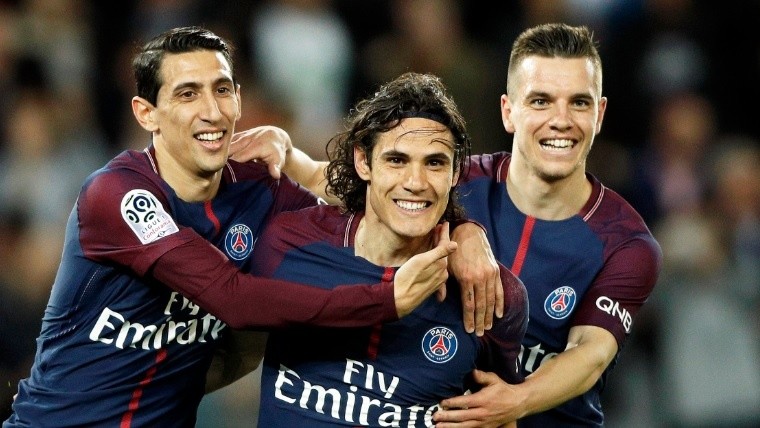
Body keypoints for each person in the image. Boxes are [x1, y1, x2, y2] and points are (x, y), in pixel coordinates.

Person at [2, 26, 483, 428]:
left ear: (238, 98)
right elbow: (234, 299)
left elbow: (367, 204)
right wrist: (387, 299)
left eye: (222, 89)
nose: (211, 111)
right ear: (146, 113)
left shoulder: (258, 190)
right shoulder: (117, 194)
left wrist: (464, 231)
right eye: (187, 94)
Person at [230, 22, 662, 427]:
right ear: (508, 112)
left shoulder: (625, 242)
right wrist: (285, 150)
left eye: (579, 102)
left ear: (600, 114)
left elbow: (590, 353)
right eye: (540, 101)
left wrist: (515, 401)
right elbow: (352, 181)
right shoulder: (446, 179)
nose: (561, 119)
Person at [248, 71, 528, 427]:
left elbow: (501, 415)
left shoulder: (491, 293)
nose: (415, 182)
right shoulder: (289, 244)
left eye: (434, 163)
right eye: (396, 160)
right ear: (363, 162)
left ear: (456, 172)